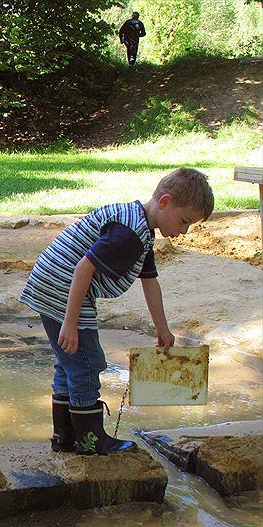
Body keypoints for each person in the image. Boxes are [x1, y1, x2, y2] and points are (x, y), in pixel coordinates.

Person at [20, 168, 213, 455]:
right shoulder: (130, 234)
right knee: (87, 363)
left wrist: (163, 328)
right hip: (63, 287)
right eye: (184, 221)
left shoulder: (140, 228)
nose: (183, 231)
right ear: (165, 202)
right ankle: (91, 442)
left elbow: (149, 281)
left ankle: (65, 437)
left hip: (54, 283)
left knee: (69, 362)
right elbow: (83, 268)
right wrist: (70, 323)